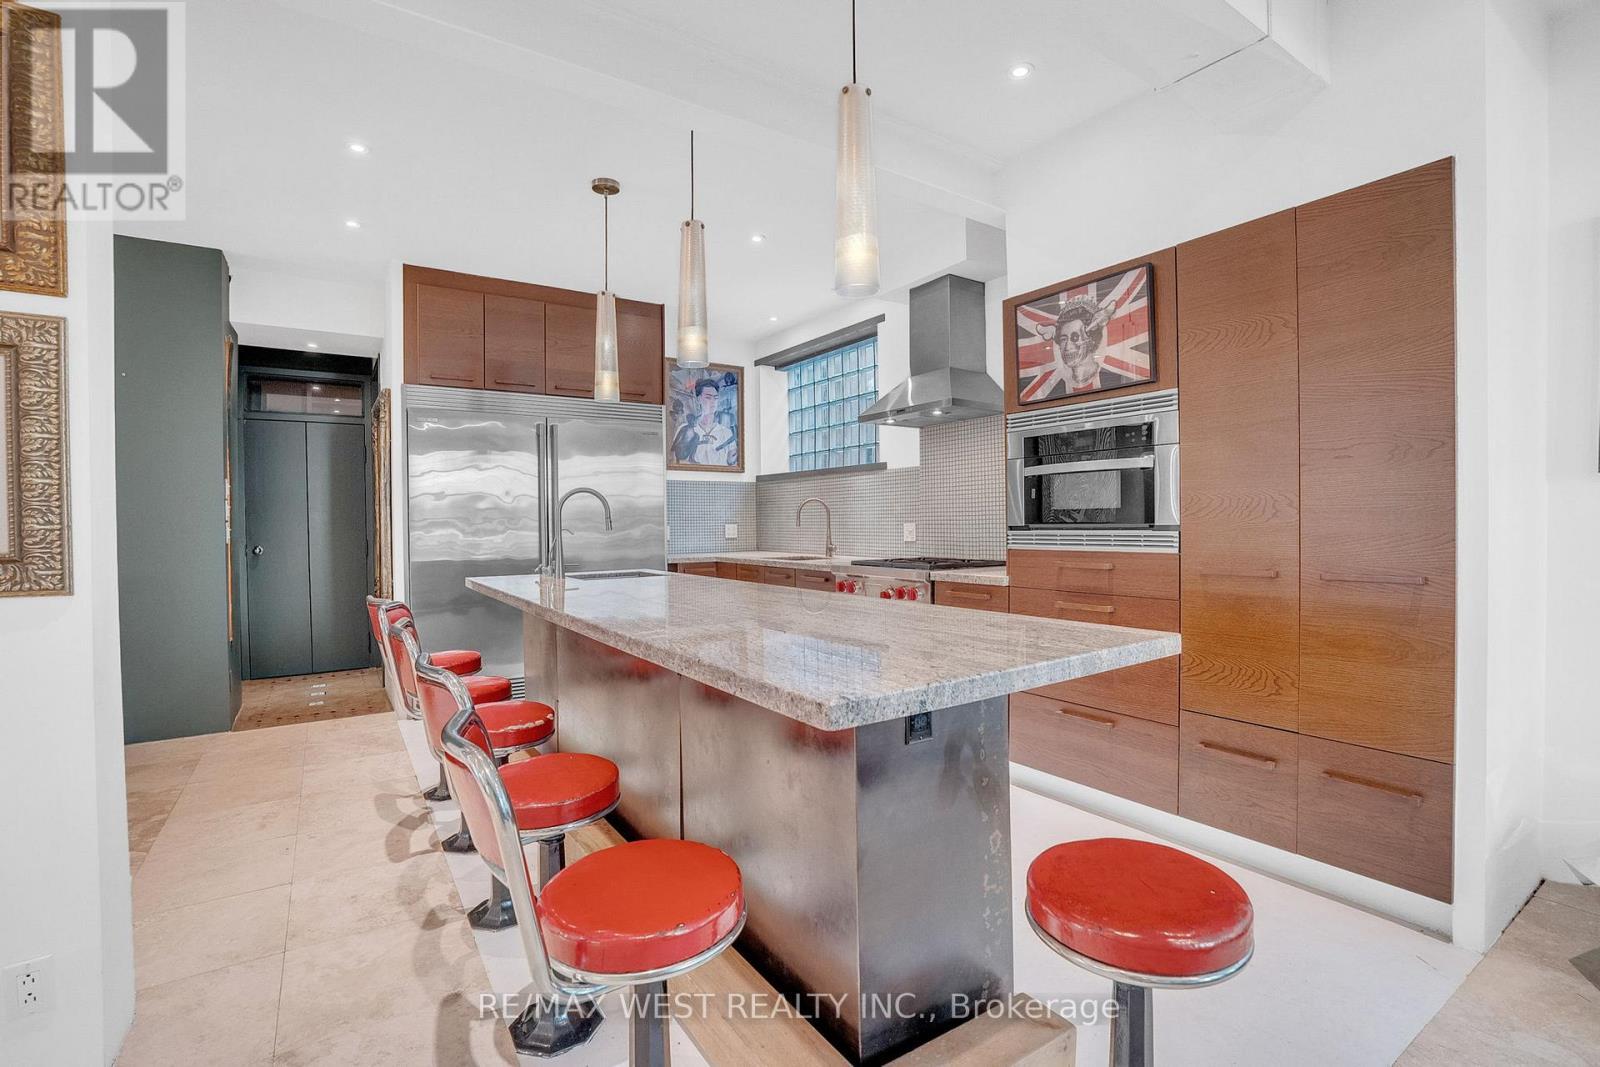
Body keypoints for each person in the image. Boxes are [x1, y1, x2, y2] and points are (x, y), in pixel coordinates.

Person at [1050, 294, 1134, 394]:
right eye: (1063, 339)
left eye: (1075, 337)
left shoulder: (1113, 379)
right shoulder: (1057, 389)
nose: (1067, 347)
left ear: (1091, 340)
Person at [672, 376, 736, 466]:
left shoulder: (727, 433)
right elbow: (675, 460)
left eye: (716, 398)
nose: (713, 402)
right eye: (708, 397)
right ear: (698, 399)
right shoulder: (685, 429)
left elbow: (732, 463)